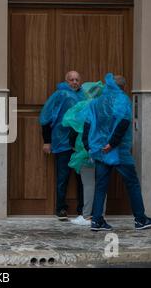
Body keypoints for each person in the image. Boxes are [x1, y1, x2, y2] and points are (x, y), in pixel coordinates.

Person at [83, 73, 151, 231]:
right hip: (118, 151)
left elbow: (87, 125)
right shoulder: (122, 99)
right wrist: (112, 144)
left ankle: (96, 221)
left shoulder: (96, 102)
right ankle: (140, 219)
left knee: (100, 186)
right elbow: (123, 123)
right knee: (132, 183)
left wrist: (89, 147)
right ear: (123, 87)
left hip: (100, 151)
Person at [40, 71, 85, 220]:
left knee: (81, 178)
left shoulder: (84, 96)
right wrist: (47, 141)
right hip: (62, 143)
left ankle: (82, 209)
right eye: (71, 79)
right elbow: (46, 118)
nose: (74, 82)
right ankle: (60, 209)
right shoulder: (59, 95)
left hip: (80, 145)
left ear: (80, 81)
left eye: (77, 79)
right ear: (66, 81)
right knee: (63, 177)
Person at [62, 81, 107, 226]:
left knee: (88, 184)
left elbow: (73, 126)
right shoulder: (106, 108)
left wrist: (74, 145)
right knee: (101, 183)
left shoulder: (83, 107)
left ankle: (87, 215)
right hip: (104, 150)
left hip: (85, 150)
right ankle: (100, 214)